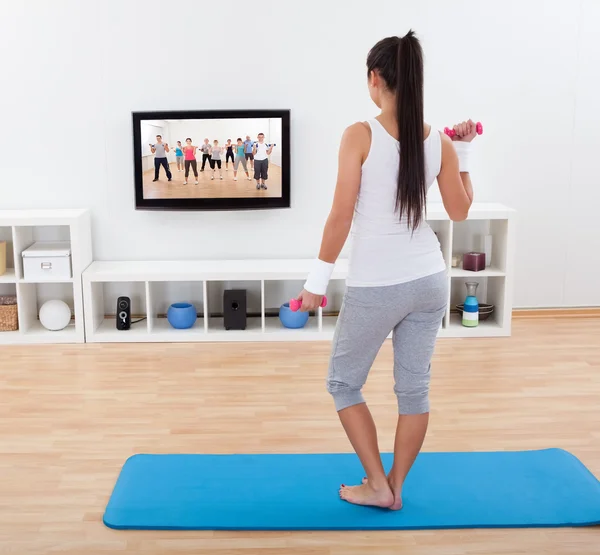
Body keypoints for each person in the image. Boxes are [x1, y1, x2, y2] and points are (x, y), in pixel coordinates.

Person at [295, 31, 476, 510]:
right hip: (430, 280)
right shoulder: (438, 140)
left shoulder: (361, 134)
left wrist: (316, 284)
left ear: (375, 79)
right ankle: (396, 484)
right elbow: (460, 211)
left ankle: (378, 485)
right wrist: (466, 154)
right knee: (414, 390)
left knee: (343, 383)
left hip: (379, 284)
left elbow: (340, 214)